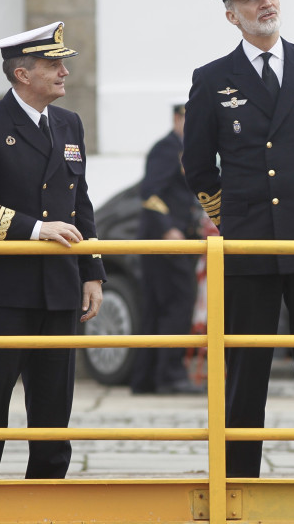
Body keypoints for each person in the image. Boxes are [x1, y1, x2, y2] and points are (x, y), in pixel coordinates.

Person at [181, 0, 294, 478]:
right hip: (250, 238)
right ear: (233, 16)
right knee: (245, 371)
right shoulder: (212, 80)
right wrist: (232, 218)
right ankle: (238, 483)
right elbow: (199, 165)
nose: (266, 3)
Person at [0, 21, 106, 479]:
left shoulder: (68, 122)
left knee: (54, 402)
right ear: (23, 74)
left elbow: (80, 203)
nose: (64, 73)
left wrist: (92, 271)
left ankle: (48, 492)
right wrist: (34, 229)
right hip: (4, 287)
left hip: (59, 287)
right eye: (53, 64)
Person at [130, 103, 204, 395]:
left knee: (159, 308)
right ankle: (171, 375)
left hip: (175, 241)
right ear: (177, 118)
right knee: (177, 306)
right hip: (167, 242)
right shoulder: (167, 148)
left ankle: (146, 378)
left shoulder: (185, 148)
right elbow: (150, 193)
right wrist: (169, 228)